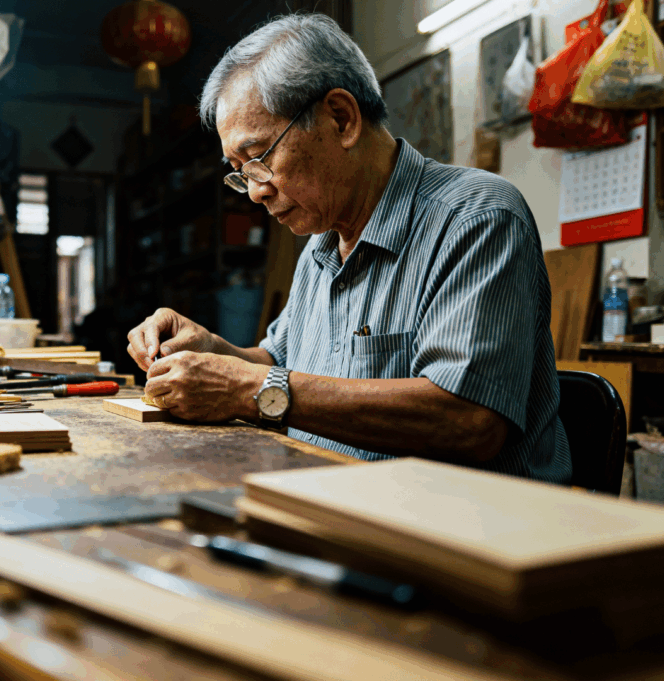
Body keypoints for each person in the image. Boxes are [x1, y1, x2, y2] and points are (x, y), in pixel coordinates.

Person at [126, 13, 570, 482]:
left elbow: (468, 420)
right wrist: (213, 350)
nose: (255, 191)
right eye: (240, 171)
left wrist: (249, 389)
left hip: (461, 527)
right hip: (332, 498)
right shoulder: (319, 248)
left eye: (259, 159)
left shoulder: (477, 218)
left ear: (341, 118)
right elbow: (280, 364)